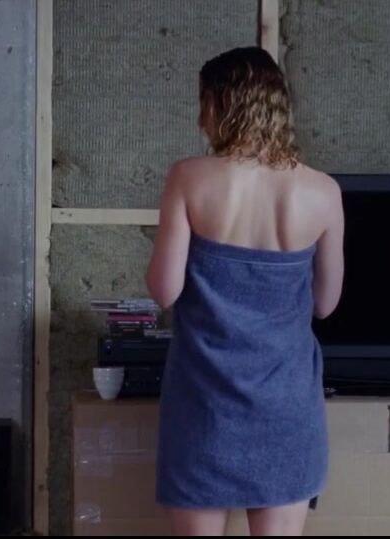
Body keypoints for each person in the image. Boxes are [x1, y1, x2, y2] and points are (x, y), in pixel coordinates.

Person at [146, 46, 345, 536]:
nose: (200, 119)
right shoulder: (323, 191)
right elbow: (326, 303)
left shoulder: (188, 178)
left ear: (223, 105)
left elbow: (165, 291)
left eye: (204, 103)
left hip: (204, 407)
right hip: (286, 407)